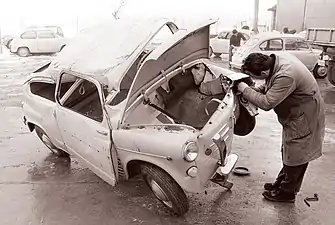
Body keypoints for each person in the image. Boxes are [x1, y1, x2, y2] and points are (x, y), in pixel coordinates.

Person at [236, 52, 325, 203]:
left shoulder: (286, 74)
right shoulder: (275, 61)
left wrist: (244, 89)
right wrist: (255, 91)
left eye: (253, 76)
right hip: (296, 113)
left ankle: (287, 193)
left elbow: (266, 103)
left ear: (263, 72)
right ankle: (281, 183)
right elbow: (271, 84)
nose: (253, 79)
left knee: (297, 154)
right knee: (289, 150)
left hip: (305, 115)